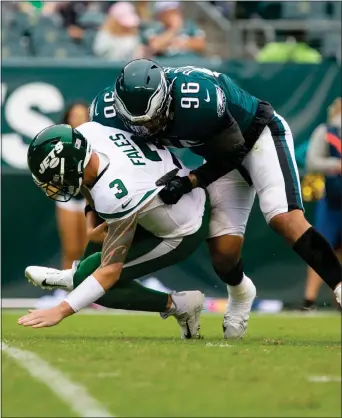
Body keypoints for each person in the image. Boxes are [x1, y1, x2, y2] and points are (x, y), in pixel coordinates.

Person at [89, 59, 342, 339]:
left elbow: (234, 151)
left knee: (283, 217)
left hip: (257, 138)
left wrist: (190, 182)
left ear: (165, 98)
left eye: (152, 120)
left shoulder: (198, 98)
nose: (147, 129)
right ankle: (241, 292)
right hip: (216, 155)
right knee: (223, 254)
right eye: (138, 124)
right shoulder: (105, 110)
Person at [18, 122, 211, 338]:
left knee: (93, 282)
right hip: (160, 203)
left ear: (72, 167)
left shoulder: (116, 193)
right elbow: (88, 181)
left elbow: (110, 272)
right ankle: (73, 277)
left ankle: (180, 305)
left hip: (182, 229)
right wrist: (91, 222)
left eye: (57, 178)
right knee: (90, 268)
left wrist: (60, 310)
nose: (55, 185)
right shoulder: (88, 134)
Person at [301, 98, 342, 310]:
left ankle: (338, 301)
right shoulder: (326, 132)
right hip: (333, 201)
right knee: (322, 248)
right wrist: (336, 164)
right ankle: (309, 301)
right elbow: (312, 161)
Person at [57, 102, 89, 270]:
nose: (79, 120)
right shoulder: (59, 142)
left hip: (90, 199)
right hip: (67, 197)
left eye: (82, 116)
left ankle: (89, 294)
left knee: (88, 251)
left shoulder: (96, 141)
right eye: (75, 116)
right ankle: (65, 292)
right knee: (71, 250)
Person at [141, 1, 206, 58]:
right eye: (169, 12)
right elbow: (155, 46)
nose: (174, 14)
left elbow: (201, 44)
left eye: (176, 10)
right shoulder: (154, 27)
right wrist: (174, 29)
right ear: (160, 14)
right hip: (167, 66)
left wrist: (181, 43)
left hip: (191, 64)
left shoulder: (189, 25)